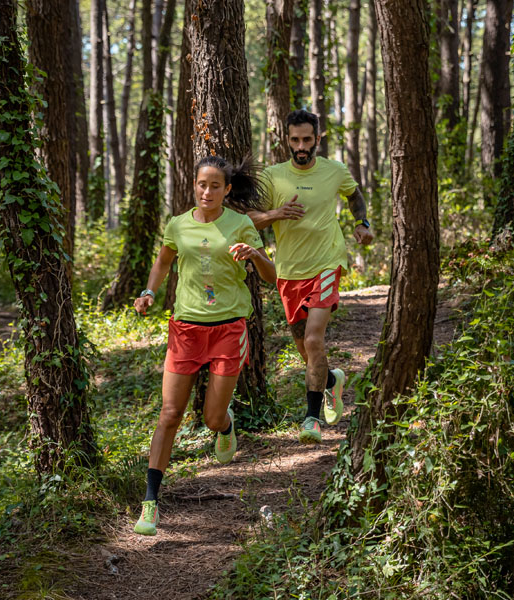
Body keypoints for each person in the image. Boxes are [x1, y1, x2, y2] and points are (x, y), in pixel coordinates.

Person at [132, 155, 276, 536]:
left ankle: (225, 427)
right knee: (169, 414)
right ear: (193, 186)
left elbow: (271, 276)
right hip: (186, 331)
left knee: (212, 418)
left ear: (227, 190)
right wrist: (149, 292)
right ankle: (150, 503)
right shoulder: (178, 225)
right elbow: (163, 263)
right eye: (201, 184)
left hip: (228, 329)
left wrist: (255, 255)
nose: (207, 192)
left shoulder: (241, 225)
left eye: (215, 186)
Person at [248, 109, 375, 444]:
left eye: (307, 139)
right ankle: (331, 381)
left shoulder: (334, 170)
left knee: (314, 340)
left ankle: (311, 419)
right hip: (289, 271)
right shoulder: (273, 176)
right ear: (287, 140)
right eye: (295, 140)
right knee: (304, 347)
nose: (301, 146)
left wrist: (362, 224)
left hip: (326, 263)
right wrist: (276, 213)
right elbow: (249, 218)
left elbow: (354, 195)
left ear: (317, 138)